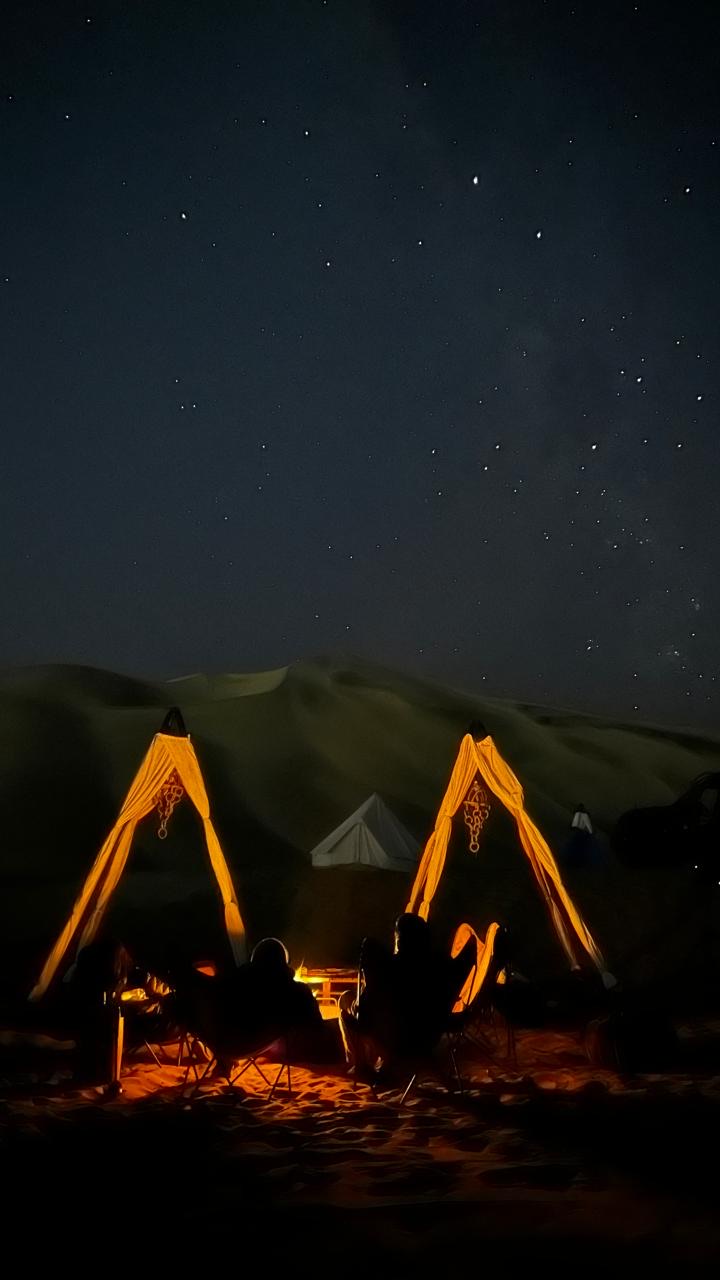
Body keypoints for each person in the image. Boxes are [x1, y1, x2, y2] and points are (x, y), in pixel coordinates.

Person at [339, 913, 478, 1080]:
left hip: (396, 1042)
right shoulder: (442, 965)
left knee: (346, 1000)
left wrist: (366, 978)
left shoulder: (390, 968)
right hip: (429, 1037)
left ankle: (362, 1066)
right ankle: (383, 1063)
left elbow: (365, 1011)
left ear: (400, 938)